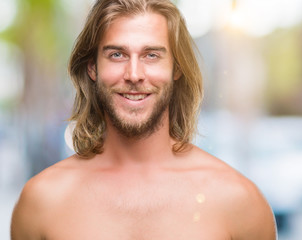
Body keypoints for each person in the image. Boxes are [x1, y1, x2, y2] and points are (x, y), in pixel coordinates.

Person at [11, 0, 277, 239]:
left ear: (177, 68)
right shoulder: (42, 202)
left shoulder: (240, 202)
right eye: (117, 54)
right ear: (92, 68)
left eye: (151, 55)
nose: (134, 74)